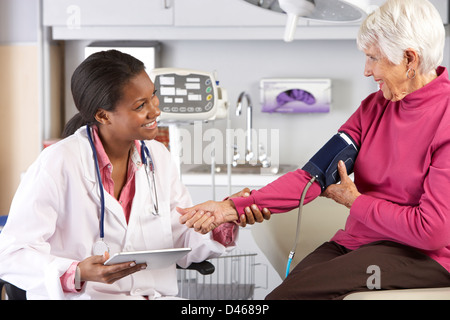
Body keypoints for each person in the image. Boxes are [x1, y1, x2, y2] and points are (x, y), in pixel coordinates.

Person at [177, 0, 450, 299]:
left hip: (422, 256)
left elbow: (431, 230)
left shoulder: (445, 119)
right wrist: (230, 208)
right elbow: (313, 176)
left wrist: (355, 202)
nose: (366, 70)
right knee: (280, 294)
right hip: (357, 243)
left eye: (373, 58)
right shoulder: (374, 108)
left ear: (409, 59)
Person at [0, 50, 239, 300]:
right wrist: (77, 272)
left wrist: (221, 221)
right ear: (103, 115)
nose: (155, 111)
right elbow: (11, 254)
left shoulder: (157, 157)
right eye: (140, 105)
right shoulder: (59, 162)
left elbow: (179, 238)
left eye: (153, 96)